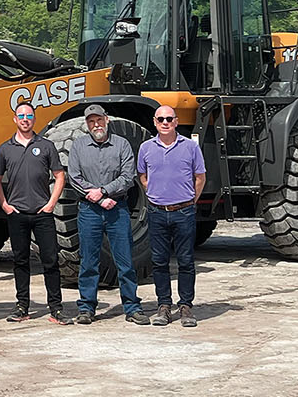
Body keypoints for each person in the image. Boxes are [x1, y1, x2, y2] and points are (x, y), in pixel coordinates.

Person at [66, 103, 144, 325]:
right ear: (87, 124)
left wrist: (104, 191)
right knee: (88, 262)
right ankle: (86, 308)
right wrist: (99, 198)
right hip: (89, 210)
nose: (96, 124)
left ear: (107, 119)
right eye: (91, 121)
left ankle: (132, 307)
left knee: (125, 261)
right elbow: (74, 177)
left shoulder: (122, 144)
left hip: (117, 208)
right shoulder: (79, 146)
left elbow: (128, 176)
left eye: (99, 119)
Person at [0, 102, 70, 324]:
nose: (25, 119)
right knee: (20, 260)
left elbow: (59, 176)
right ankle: (22, 306)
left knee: (50, 260)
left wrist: (51, 204)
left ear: (34, 120)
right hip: (17, 214)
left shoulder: (46, 146)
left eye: (29, 115)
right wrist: (5, 205)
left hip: (42, 213)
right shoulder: (5, 148)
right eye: (21, 116)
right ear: (15, 120)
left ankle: (56, 307)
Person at [137, 105, 207, 327]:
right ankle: (164, 306)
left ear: (176, 122)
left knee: (186, 260)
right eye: (161, 119)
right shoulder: (146, 148)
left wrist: (189, 200)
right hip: (157, 212)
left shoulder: (190, 147)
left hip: (184, 212)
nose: (165, 123)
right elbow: (142, 175)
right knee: (159, 261)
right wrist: (155, 194)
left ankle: (185, 306)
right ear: (155, 123)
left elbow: (200, 177)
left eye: (169, 119)